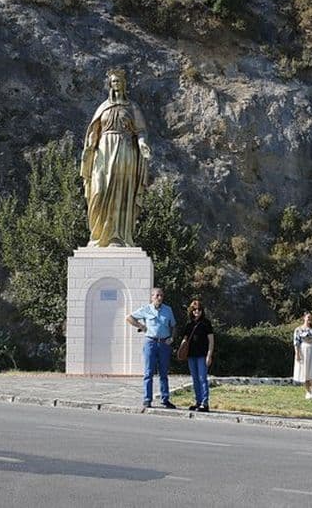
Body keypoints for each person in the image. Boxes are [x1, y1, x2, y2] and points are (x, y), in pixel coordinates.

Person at [81, 68, 150, 247]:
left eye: (118, 80)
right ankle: (98, 236)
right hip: (103, 151)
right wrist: (89, 147)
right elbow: (94, 131)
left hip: (125, 150)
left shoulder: (132, 107)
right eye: (113, 81)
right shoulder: (103, 107)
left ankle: (117, 237)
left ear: (123, 83)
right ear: (110, 84)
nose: (116, 84)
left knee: (121, 191)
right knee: (99, 190)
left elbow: (141, 131)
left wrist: (142, 144)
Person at [126, 287, 176, 408]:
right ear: (152, 297)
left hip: (164, 343)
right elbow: (129, 318)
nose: (159, 298)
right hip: (150, 343)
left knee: (164, 373)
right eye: (157, 295)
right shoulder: (146, 309)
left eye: (161, 295)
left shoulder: (168, 310)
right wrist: (141, 326)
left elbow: (174, 326)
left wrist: (172, 338)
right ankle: (147, 399)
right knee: (148, 372)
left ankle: (165, 399)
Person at [180, 299, 214, 412]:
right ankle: (198, 402)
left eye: (199, 309)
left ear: (202, 311)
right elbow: (185, 339)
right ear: (191, 311)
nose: (197, 311)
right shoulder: (189, 324)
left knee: (202, 378)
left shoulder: (206, 323)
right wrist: (181, 348)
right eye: (194, 310)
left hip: (202, 355)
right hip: (191, 355)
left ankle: (205, 403)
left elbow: (211, 340)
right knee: (195, 379)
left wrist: (209, 355)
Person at [293, 312, 312, 400]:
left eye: (311, 318)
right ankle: (308, 392)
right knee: (304, 371)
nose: (310, 319)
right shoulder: (298, 329)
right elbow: (296, 343)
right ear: (304, 318)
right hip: (303, 350)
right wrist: (297, 354)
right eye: (308, 317)